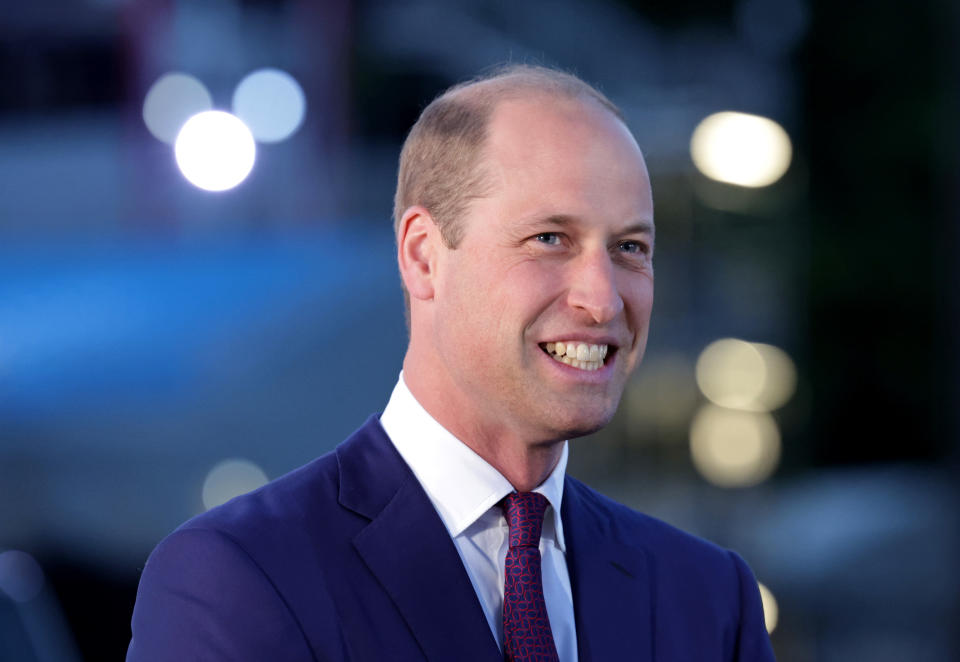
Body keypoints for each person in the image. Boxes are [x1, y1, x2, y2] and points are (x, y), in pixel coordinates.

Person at [127, 65, 776, 661]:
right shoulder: (239, 578)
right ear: (423, 256)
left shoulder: (709, 599)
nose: (603, 297)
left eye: (630, 247)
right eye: (550, 239)